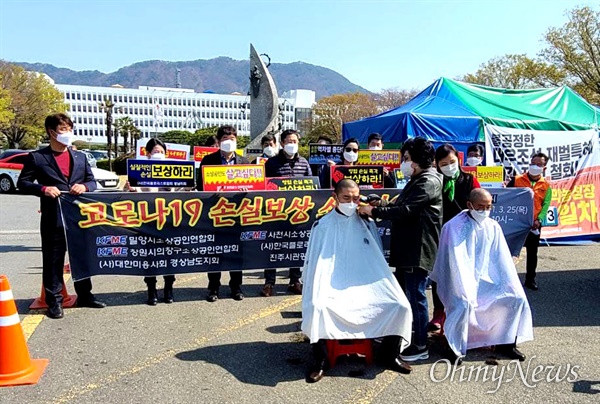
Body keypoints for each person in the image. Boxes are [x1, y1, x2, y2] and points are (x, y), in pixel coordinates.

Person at [302, 179, 413, 383]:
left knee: (400, 305)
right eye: (346, 198)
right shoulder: (322, 225)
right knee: (318, 306)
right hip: (331, 285)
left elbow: (376, 257)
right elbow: (313, 265)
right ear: (334, 197)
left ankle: (389, 354)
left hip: (367, 283)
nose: (352, 203)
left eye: (355, 198)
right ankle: (320, 360)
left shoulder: (366, 222)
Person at [358, 137, 442, 362]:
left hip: (418, 249)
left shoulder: (429, 181)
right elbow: (399, 205)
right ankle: (404, 336)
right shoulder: (418, 179)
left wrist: (373, 212)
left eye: (405, 158)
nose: (403, 163)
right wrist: (380, 203)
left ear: (415, 160)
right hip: (408, 247)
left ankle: (420, 345)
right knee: (404, 295)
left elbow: (406, 210)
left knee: (416, 297)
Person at [17, 113, 106, 319]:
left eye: (69, 128)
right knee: (53, 260)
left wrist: (84, 186)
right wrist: (44, 189)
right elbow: (23, 183)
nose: (68, 133)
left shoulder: (80, 157)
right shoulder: (38, 157)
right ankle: (54, 301)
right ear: (51, 132)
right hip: (53, 217)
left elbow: (92, 182)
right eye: (64, 129)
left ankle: (85, 295)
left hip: (80, 217)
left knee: (82, 257)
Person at [430, 188, 533, 363]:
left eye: (488, 207)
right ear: (469, 205)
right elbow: (453, 263)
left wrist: (507, 283)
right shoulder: (453, 227)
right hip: (459, 281)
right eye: (480, 207)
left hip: (486, 281)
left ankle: (506, 343)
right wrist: (465, 287)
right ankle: (454, 345)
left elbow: (501, 260)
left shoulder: (493, 226)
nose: (485, 211)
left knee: (516, 298)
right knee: (464, 303)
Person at [429, 144, 481, 332]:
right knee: (440, 273)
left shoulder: (469, 179)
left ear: (458, 160)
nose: (449, 166)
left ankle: (462, 312)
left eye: (452, 162)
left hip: (464, 234)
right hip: (440, 234)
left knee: (462, 274)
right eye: (444, 164)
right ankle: (438, 313)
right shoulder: (435, 180)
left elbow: (480, 202)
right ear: (437, 165)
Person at [197, 125, 249, 302]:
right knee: (215, 252)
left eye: (232, 139)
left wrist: (245, 190)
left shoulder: (244, 162)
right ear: (218, 142)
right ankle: (213, 287)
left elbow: (254, 190)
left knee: (236, 252)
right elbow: (200, 187)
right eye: (225, 140)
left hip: (236, 215)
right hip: (215, 215)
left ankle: (236, 286)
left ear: (237, 141)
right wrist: (212, 191)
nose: (229, 143)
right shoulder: (208, 161)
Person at [126, 138, 176, 306]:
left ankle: (168, 288)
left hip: (169, 219)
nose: (158, 154)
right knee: (150, 256)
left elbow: (181, 192)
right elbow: (129, 195)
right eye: (155, 152)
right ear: (147, 153)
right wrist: (131, 189)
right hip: (147, 220)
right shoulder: (137, 170)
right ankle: (151, 289)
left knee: (169, 255)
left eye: (161, 152)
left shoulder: (174, 170)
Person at [262, 129, 312, 297]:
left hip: (298, 213)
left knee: (295, 246)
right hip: (276, 212)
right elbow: (264, 186)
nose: (292, 145)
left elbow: (312, 186)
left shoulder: (304, 163)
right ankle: (269, 282)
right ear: (282, 143)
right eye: (289, 142)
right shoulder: (271, 163)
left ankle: (295, 281)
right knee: (273, 247)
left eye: (295, 142)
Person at [507, 152, 552, 290]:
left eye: (539, 164)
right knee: (509, 252)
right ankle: (506, 280)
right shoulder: (516, 180)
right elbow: (506, 198)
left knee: (532, 253)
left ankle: (530, 280)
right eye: (533, 163)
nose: (535, 166)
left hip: (534, 225)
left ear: (544, 167)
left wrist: (539, 220)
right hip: (516, 223)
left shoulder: (546, 186)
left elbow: (546, 205)